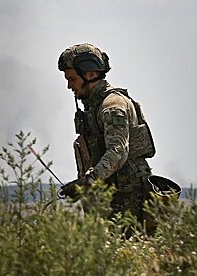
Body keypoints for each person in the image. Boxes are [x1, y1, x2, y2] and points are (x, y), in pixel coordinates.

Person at [58, 43, 156, 228]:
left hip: (128, 196)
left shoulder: (112, 106)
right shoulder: (93, 107)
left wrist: (87, 183)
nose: (69, 85)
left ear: (90, 74)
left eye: (72, 78)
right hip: (112, 193)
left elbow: (118, 151)